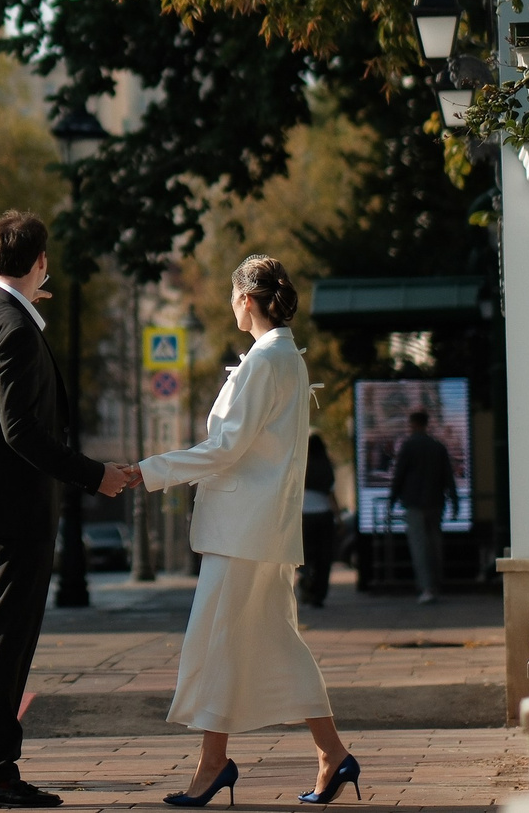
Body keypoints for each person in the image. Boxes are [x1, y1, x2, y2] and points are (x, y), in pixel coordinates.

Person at [130, 256, 360, 807]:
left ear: (246, 301)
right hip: (262, 528)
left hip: (244, 531)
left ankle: (214, 764)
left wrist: (147, 471)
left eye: (234, 297)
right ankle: (331, 754)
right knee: (274, 641)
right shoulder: (284, 357)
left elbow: (226, 447)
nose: (232, 306)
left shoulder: (267, 361)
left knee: (218, 641)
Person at [0, 212, 131, 810]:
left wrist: (24, 294)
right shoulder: (16, 331)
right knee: (8, 639)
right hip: (16, 509)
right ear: (40, 262)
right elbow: (21, 430)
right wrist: (94, 475)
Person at [387, 408, 457, 605]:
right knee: (435, 544)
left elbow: (399, 475)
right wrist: (454, 501)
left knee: (419, 546)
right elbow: (448, 477)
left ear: (413, 424)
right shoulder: (438, 447)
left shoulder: (408, 446)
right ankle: (435, 584)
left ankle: (426, 587)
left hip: (414, 503)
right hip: (436, 502)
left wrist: (392, 500)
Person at [299, 434, 338, 608]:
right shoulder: (326, 466)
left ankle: (305, 579)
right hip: (324, 514)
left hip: (304, 515)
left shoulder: (301, 465)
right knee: (324, 556)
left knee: (306, 554)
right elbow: (331, 494)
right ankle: (319, 593)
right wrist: (338, 517)